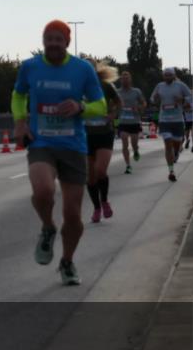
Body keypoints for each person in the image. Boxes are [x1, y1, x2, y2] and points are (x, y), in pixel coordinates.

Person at [12, 20, 106, 286]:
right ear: (43, 41)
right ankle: (47, 227)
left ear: (67, 42)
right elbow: (18, 95)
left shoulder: (82, 69)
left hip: (73, 146)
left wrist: (80, 107)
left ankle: (67, 261)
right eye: (48, 39)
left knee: (74, 215)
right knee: (42, 191)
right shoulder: (30, 67)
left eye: (58, 39)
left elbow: (100, 105)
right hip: (41, 142)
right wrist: (20, 121)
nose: (53, 43)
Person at [84, 61, 121, 223]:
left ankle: (105, 200)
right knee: (90, 177)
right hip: (85, 135)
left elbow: (119, 103)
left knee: (100, 170)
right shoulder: (76, 87)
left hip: (104, 132)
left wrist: (113, 115)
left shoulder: (105, 86)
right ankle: (97, 207)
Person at [150, 68, 192, 182]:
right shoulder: (160, 86)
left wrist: (182, 100)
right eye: (165, 75)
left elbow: (190, 98)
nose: (167, 77)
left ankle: (177, 152)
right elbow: (152, 98)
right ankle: (171, 171)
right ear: (163, 76)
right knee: (168, 144)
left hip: (178, 120)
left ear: (174, 76)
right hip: (164, 120)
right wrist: (155, 99)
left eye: (169, 75)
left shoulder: (180, 86)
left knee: (176, 145)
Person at [116, 71, 146, 174]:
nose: (125, 80)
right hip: (123, 121)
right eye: (123, 78)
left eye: (127, 78)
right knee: (124, 141)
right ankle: (128, 165)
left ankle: (136, 150)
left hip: (134, 121)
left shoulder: (136, 91)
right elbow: (112, 104)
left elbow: (144, 103)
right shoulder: (117, 92)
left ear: (130, 80)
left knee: (134, 144)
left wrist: (139, 108)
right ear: (121, 80)